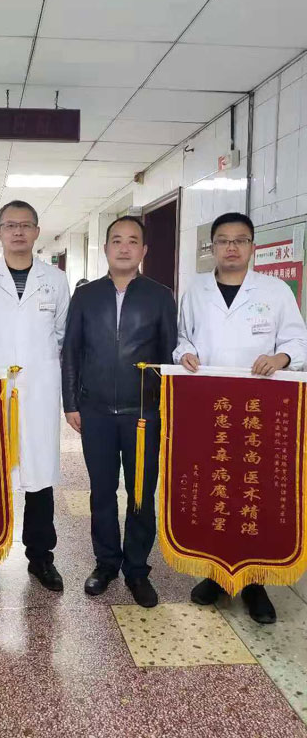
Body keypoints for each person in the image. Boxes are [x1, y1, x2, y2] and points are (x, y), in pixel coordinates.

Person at [174, 211, 307, 624]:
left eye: (240, 240)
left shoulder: (275, 291)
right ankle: (216, 574)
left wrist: (281, 358)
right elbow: (182, 337)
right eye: (223, 240)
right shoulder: (195, 290)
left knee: (254, 490)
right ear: (212, 246)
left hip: (258, 410)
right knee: (216, 488)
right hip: (209, 408)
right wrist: (184, 353)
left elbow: (298, 340)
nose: (231, 247)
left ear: (252, 246)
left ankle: (254, 582)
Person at [0, 200, 70, 593]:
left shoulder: (55, 280)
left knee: (40, 475)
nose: (18, 232)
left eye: (25, 225)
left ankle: (41, 557)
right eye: (10, 225)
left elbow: (61, 334)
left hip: (38, 389)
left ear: (37, 231)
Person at [62, 216, 177, 608]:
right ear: (106, 248)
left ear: (144, 250)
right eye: (116, 240)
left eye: (132, 241)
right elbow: (71, 352)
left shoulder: (160, 296)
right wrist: (71, 403)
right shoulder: (86, 295)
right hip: (95, 412)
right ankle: (106, 563)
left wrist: (167, 408)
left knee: (141, 492)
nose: (124, 247)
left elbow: (170, 355)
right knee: (101, 491)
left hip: (143, 413)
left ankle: (137, 569)